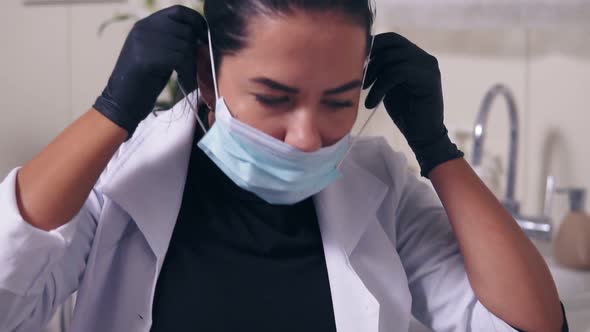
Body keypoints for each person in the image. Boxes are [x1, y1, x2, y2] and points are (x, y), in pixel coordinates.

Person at [0, 1, 568, 331]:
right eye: (274, 98)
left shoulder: (383, 190)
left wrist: (438, 150)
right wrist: (111, 114)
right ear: (207, 77)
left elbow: (528, 325)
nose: (305, 138)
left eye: (338, 101)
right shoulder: (123, 177)